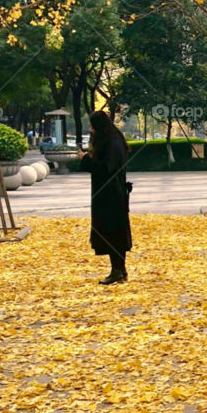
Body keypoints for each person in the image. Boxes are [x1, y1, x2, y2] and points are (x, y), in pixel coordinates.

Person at [79, 110, 132, 284]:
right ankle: (119, 270)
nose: (91, 129)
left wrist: (85, 159)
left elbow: (105, 168)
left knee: (113, 232)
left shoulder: (112, 142)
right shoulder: (113, 139)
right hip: (109, 193)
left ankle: (118, 271)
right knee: (112, 231)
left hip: (111, 194)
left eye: (92, 125)